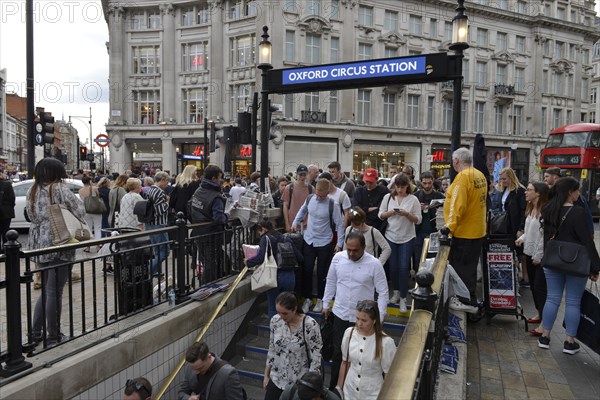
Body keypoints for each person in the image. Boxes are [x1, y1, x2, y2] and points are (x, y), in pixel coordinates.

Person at [27, 158, 86, 346]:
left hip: (39, 242)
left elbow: (30, 215)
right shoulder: (60, 189)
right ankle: (53, 335)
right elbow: (80, 211)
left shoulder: (32, 190)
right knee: (55, 291)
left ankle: (35, 333)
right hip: (59, 240)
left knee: (46, 290)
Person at [538, 177, 600, 354]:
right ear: (569, 192)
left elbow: (545, 239)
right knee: (573, 302)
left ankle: (545, 336)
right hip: (576, 264)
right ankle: (569, 342)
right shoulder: (578, 213)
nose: (578, 194)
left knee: (552, 298)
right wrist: (595, 267)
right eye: (576, 190)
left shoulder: (548, 210)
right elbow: (587, 241)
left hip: (552, 261)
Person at [322, 231, 389, 392]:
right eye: (349, 249)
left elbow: (383, 292)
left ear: (364, 248)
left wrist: (379, 317)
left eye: (355, 250)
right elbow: (331, 281)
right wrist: (326, 303)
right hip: (340, 314)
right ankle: (335, 390)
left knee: (361, 355)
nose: (351, 253)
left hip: (363, 319)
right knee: (338, 354)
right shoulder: (338, 259)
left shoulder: (374, 264)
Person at [443, 147, 487, 313]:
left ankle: (465, 300)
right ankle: (470, 298)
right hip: (477, 230)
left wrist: (448, 227)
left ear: (456, 161)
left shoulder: (462, 178)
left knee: (461, 269)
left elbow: (457, 206)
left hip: (464, 232)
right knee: (470, 269)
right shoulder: (479, 174)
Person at [292, 179, 344, 314]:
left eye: (322, 195)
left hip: (325, 242)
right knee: (307, 270)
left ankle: (321, 299)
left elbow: (339, 224)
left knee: (322, 273)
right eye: (317, 194)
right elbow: (302, 210)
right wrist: (295, 222)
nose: (319, 197)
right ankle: (307, 298)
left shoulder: (332, 204)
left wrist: (339, 244)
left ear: (328, 192)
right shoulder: (310, 199)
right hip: (309, 239)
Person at [264, 292, 323, 400]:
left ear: (295, 309)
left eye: (285, 313)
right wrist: (266, 375)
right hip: (277, 379)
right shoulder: (275, 321)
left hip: (299, 384)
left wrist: (310, 386)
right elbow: (272, 348)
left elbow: (316, 358)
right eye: (278, 312)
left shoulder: (310, 324)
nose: (281, 317)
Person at [378, 173, 421, 312]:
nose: (400, 190)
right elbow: (380, 215)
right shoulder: (388, 197)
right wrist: (391, 213)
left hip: (407, 237)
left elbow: (418, 220)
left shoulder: (413, 199)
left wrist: (407, 214)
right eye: (398, 187)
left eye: (403, 187)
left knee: (404, 267)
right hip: (390, 235)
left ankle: (403, 297)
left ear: (407, 186)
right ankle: (396, 292)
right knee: (393, 267)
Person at [337, 300, 396, 400]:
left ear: (374, 321)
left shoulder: (386, 342)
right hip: (349, 391)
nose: (359, 324)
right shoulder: (349, 333)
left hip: (373, 394)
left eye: (364, 320)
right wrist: (339, 389)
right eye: (357, 318)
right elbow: (345, 363)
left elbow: (388, 375)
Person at [246, 220, 302, 319]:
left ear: (263, 229)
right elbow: (300, 257)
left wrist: (248, 262)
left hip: (274, 276)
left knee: (273, 307)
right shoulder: (286, 238)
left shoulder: (265, 238)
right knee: (287, 307)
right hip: (290, 276)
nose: (259, 234)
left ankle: (275, 332)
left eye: (259, 232)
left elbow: (260, 257)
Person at [515, 182, 549, 336]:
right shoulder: (531, 209)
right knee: (535, 287)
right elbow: (529, 230)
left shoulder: (545, 211)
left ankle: (544, 323)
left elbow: (544, 237)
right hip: (528, 253)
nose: (525, 192)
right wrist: (522, 238)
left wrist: (539, 256)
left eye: (529, 190)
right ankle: (539, 314)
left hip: (538, 257)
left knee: (540, 288)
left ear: (539, 193)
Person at [190, 165, 228, 283]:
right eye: (220, 177)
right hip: (211, 233)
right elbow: (218, 218)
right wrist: (227, 216)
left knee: (207, 260)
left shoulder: (199, 190)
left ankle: (211, 281)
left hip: (199, 232)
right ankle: (206, 286)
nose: (222, 180)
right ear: (214, 178)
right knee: (210, 262)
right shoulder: (216, 196)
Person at [178, 341, 244, 400]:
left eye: (200, 368)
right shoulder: (191, 367)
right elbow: (182, 392)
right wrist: (189, 398)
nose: (196, 372)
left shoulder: (228, 374)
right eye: (193, 368)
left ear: (209, 357)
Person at [496, 167, 527, 286]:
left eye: (504, 179)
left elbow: (523, 211)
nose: (502, 181)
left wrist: (521, 228)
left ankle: (525, 277)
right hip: (505, 225)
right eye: (501, 179)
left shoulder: (519, 191)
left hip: (515, 225)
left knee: (521, 253)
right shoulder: (503, 190)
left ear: (511, 177)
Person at [544, 167, 594, 236]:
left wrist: (590, 232)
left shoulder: (576, 198)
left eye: (547, 176)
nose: (545, 179)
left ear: (555, 177)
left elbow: (585, 215)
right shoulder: (549, 192)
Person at [412, 171, 445, 274]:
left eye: (429, 183)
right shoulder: (415, 196)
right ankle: (419, 280)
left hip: (434, 231)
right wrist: (418, 209)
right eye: (425, 183)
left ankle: (432, 281)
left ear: (432, 182)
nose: (427, 185)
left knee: (433, 258)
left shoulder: (439, 195)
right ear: (421, 183)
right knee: (418, 259)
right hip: (419, 231)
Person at [145, 171, 171, 276]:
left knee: (156, 250)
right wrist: (167, 203)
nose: (167, 184)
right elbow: (160, 210)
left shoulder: (149, 190)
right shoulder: (160, 192)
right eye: (166, 182)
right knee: (164, 252)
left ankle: (152, 271)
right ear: (162, 180)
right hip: (159, 224)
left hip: (149, 223)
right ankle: (147, 272)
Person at [283, 165, 314, 233]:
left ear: (307, 175)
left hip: (307, 225)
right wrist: (287, 224)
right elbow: (285, 206)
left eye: (304, 175)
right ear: (296, 175)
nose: (303, 177)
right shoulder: (289, 188)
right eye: (300, 175)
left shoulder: (311, 189)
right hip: (292, 224)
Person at [79, 176, 103, 251]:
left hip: (86, 210)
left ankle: (88, 247)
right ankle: (98, 246)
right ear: (89, 181)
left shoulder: (80, 190)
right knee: (97, 227)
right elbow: (98, 197)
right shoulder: (94, 188)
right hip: (96, 210)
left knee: (88, 228)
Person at [0, 170, 15, 251]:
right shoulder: (7, 184)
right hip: (6, 211)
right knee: (5, 231)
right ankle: (6, 250)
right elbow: (12, 198)